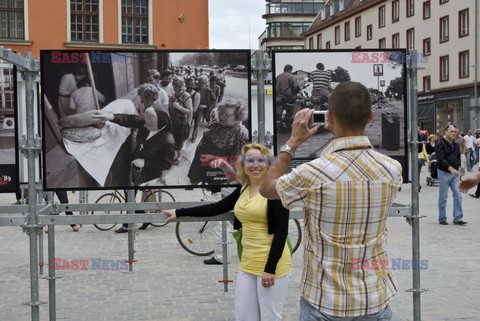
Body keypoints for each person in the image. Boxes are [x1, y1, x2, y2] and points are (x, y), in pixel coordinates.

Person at [259, 82, 402, 320]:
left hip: (324, 300)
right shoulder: (392, 169)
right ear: (370, 117)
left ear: (330, 117)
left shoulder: (312, 173)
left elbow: (266, 188)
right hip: (374, 297)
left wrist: (292, 142)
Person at [164, 143, 292, 320]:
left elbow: (281, 231)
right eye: (250, 160)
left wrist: (270, 269)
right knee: (244, 316)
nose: (255, 165)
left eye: (260, 160)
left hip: (272, 265)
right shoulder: (243, 189)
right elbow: (216, 207)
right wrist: (179, 212)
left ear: (268, 163)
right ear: (243, 165)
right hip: (247, 264)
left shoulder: (275, 190)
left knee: (270, 317)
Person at [187, 99, 249, 186]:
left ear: (237, 118)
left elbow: (234, 162)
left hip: (216, 169)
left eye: (227, 115)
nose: (221, 116)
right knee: (194, 181)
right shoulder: (217, 122)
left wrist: (214, 159)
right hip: (199, 161)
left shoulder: (241, 135)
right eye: (221, 112)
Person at [435, 124, 467, 225]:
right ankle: (442, 218)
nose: (454, 133)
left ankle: (458, 218)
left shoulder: (456, 143)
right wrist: (450, 168)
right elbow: (441, 159)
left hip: (455, 174)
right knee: (443, 196)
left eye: (455, 132)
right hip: (444, 172)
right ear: (446, 131)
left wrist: (457, 167)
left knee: (458, 195)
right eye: (451, 131)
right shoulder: (440, 143)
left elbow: (458, 156)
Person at [169, 76, 193, 163]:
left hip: (182, 122)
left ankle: (179, 157)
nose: (176, 89)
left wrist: (178, 107)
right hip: (173, 121)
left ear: (182, 86)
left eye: (178, 86)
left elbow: (190, 111)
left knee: (179, 140)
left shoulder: (186, 96)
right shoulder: (173, 95)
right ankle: (175, 154)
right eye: (174, 86)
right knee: (173, 139)